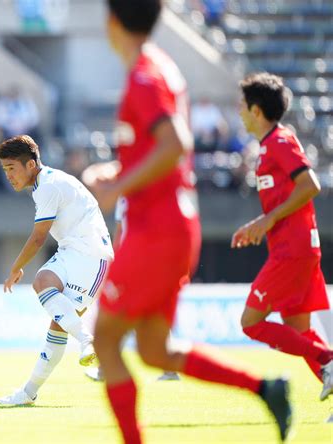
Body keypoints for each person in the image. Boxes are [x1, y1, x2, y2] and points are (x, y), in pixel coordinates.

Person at [84, 2, 292, 443]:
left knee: (104, 339)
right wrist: (119, 174)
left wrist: (118, 189)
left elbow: (175, 144)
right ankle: (266, 389)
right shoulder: (160, 67)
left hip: (155, 231)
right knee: (155, 350)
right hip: (172, 225)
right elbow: (161, 151)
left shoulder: (143, 75)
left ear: (112, 21)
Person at [232, 72, 333, 402]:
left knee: (250, 322)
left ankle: (330, 362)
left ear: (256, 110)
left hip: (293, 250)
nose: (239, 111)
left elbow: (310, 185)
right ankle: (328, 369)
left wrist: (267, 219)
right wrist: (257, 226)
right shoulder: (267, 147)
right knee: (298, 331)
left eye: (242, 105)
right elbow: (283, 201)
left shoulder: (279, 141)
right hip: (293, 246)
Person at [0, 135, 114, 406]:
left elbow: (38, 237)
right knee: (51, 304)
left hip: (92, 257)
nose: (9, 176)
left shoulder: (49, 186)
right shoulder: (44, 183)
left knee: (47, 295)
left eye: (12, 168)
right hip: (73, 251)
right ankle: (28, 393)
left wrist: (15, 268)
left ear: (31, 164)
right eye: (5, 170)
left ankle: (86, 340)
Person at [84, 196, 180, 383]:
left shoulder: (126, 196)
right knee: (146, 314)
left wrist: (118, 262)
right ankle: (170, 369)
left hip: (135, 262)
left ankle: (105, 368)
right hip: (150, 260)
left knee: (115, 314)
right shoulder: (147, 194)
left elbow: (121, 232)